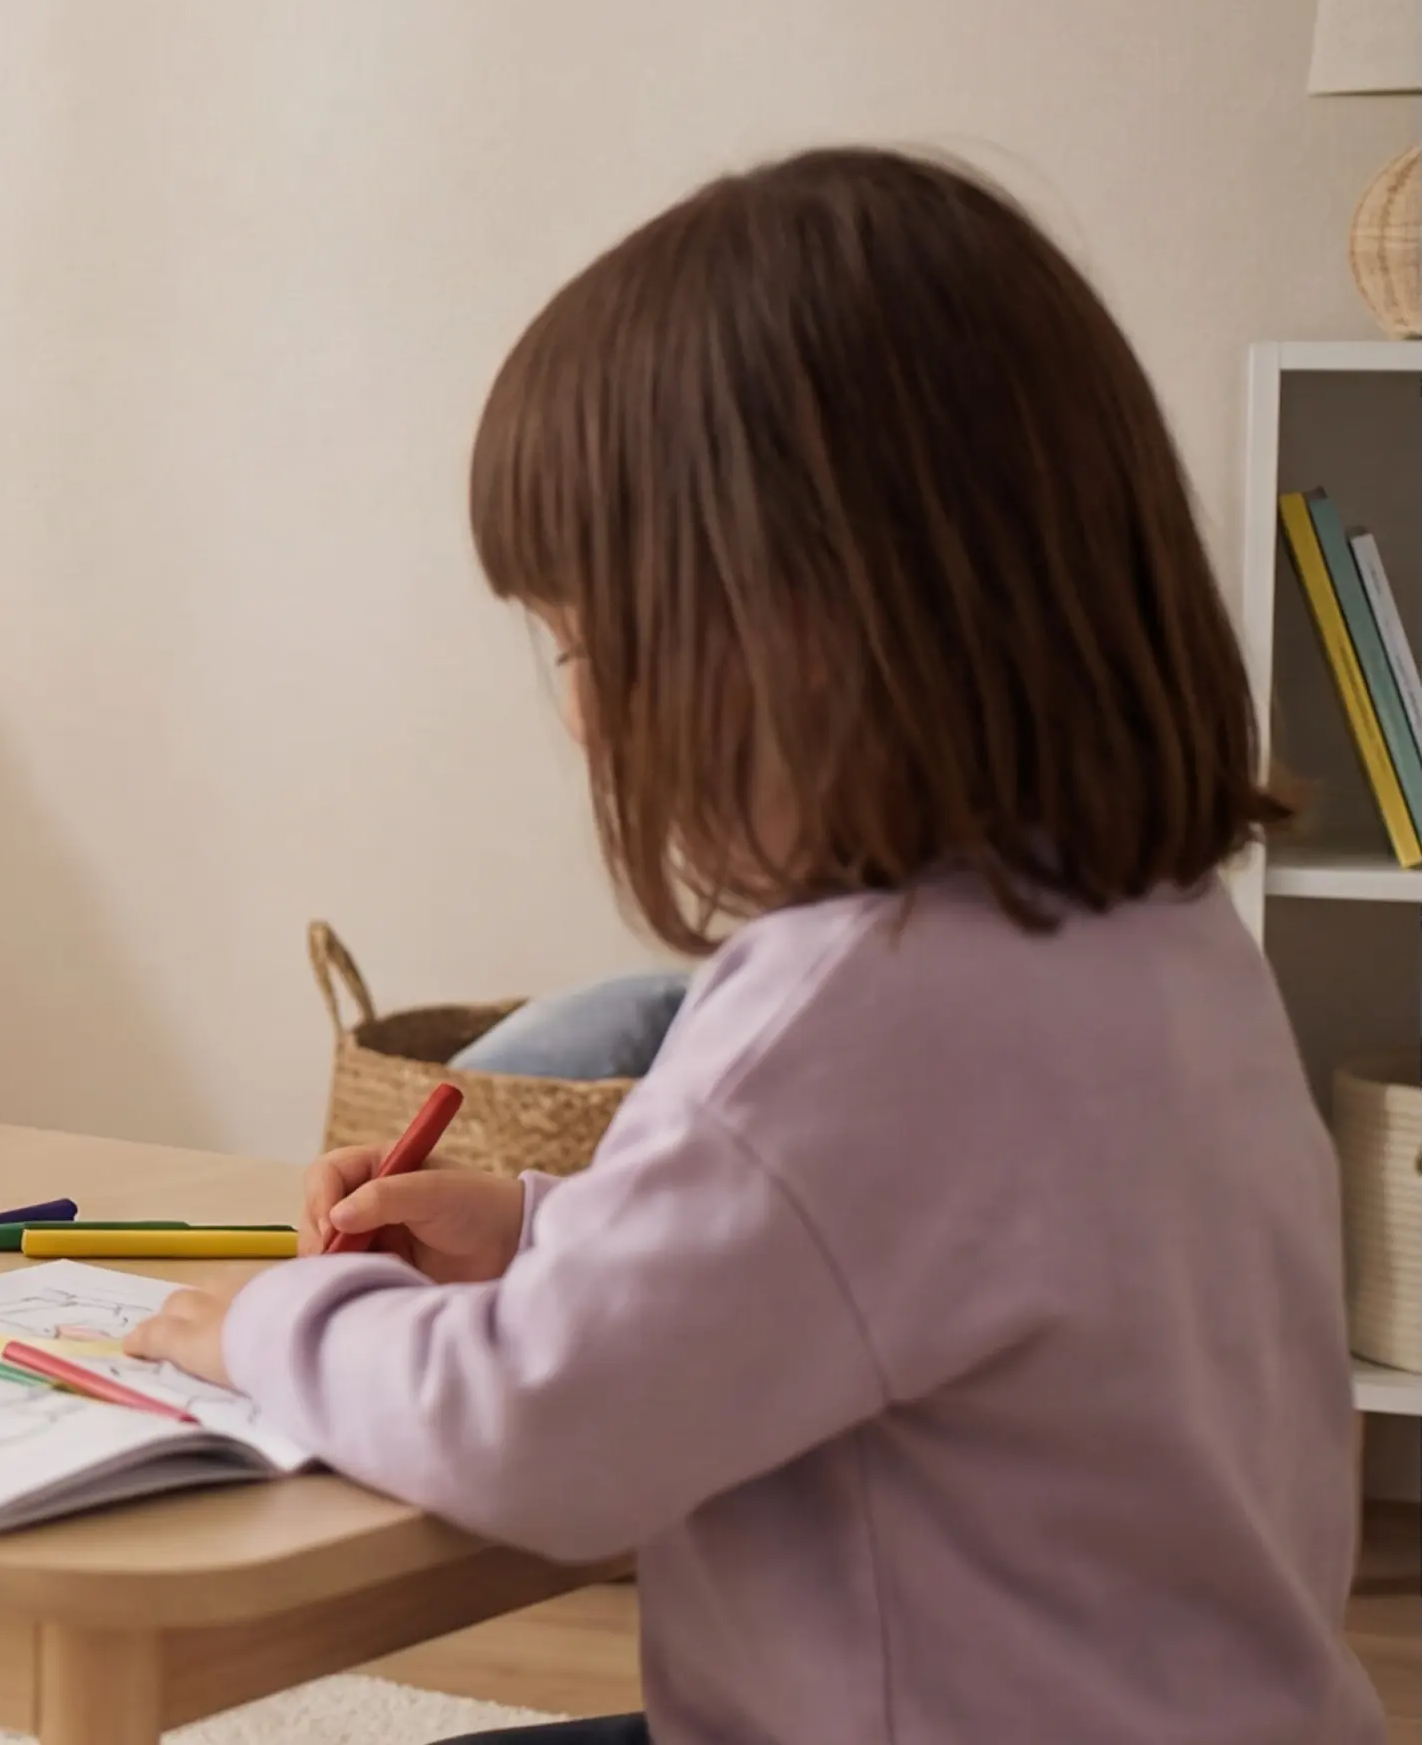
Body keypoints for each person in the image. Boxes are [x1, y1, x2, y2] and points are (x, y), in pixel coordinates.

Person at [121, 148, 1382, 1745]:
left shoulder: (859, 1003)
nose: (575, 709)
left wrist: (270, 1325)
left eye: (585, 641)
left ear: (803, 622)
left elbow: (539, 1435)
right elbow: (898, 1262)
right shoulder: (1148, 928)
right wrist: (534, 1230)